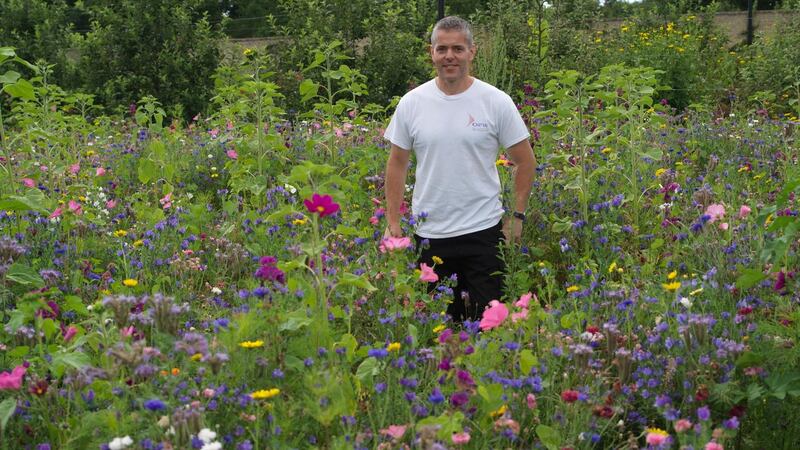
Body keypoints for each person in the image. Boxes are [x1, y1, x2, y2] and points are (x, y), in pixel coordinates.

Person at [382, 15, 537, 322]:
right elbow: (397, 164)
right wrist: (392, 221)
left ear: (471, 51)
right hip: (430, 236)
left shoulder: (495, 101)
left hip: (484, 234)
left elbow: (526, 161)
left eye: (457, 48)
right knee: (439, 329)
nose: (449, 56)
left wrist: (517, 217)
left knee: (489, 329)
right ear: (432, 53)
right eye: (442, 49)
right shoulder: (413, 103)